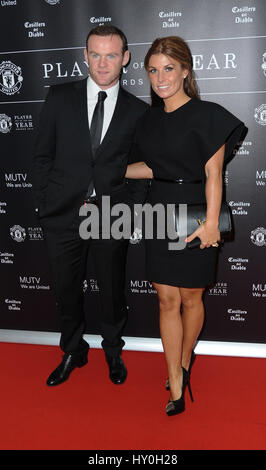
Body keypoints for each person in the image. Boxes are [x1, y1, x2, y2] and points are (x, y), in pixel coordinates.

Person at [126, 36, 246, 416]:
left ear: (185, 70)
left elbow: (214, 174)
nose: (160, 78)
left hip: (196, 211)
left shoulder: (209, 115)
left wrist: (212, 224)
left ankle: (184, 359)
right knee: (166, 299)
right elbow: (151, 168)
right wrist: (107, 170)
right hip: (159, 210)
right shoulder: (147, 121)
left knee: (192, 298)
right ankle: (175, 380)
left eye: (168, 68)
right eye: (153, 70)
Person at [33, 25, 148, 387]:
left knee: (112, 290)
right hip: (63, 213)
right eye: (95, 54)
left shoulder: (138, 111)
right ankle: (73, 350)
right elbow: (41, 156)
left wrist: (129, 211)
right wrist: (46, 203)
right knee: (67, 290)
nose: (102, 63)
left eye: (111, 55)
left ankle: (112, 350)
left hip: (110, 214)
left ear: (125, 58)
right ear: (84, 55)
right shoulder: (59, 97)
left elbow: (143, 169)